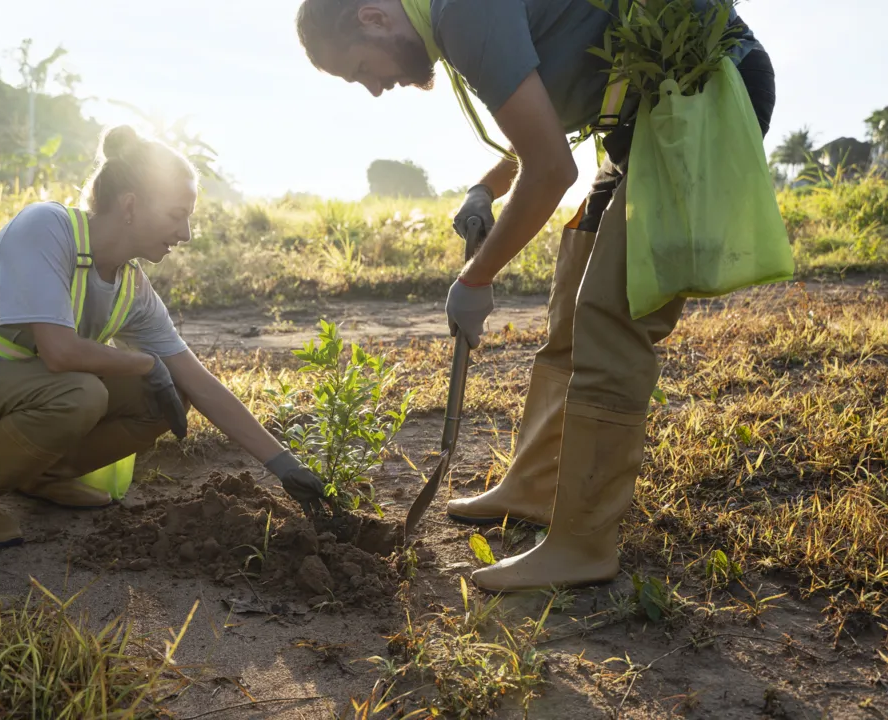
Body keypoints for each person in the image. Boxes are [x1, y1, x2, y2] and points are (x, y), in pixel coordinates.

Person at [295, 0, 776, 591]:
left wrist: (476, 279)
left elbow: (551, 170)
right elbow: (543, 124)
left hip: (702, 97)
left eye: (358, 70)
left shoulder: (461, 13)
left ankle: (583, 544)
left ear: (370, 17)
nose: (373, 89)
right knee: (573, 306)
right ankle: (537, 487)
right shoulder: (455, 18)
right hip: (640, 120)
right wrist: (484, 186)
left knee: (611, 319)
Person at [0, 125, 328, 547]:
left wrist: (285, 467)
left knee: (166, 397)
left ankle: (40, 474)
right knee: (82, 392)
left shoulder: (131, 285)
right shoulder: (46, 227)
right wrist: (145, 362)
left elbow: (199, 382)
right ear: (129, 205)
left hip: (23, 396)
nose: (185, 234)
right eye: (175, 215)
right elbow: (58, 352)